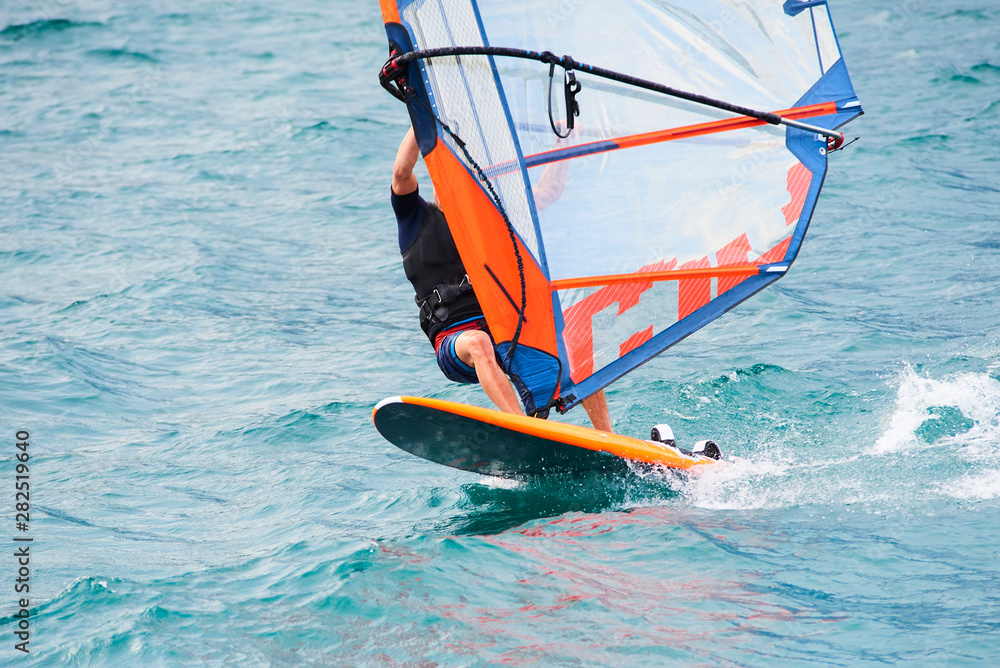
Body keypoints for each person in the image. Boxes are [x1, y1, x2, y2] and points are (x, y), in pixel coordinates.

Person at [390, 128, 613, 432]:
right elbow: (402, 172)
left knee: (575, 342)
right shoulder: (415, 219)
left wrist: (565, 138)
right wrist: (422, 117)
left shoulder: (488, 219)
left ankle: (608, 439)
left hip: (505, 332)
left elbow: (548, 192)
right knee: (478, 343)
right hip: (454, 341)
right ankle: (524, 429)